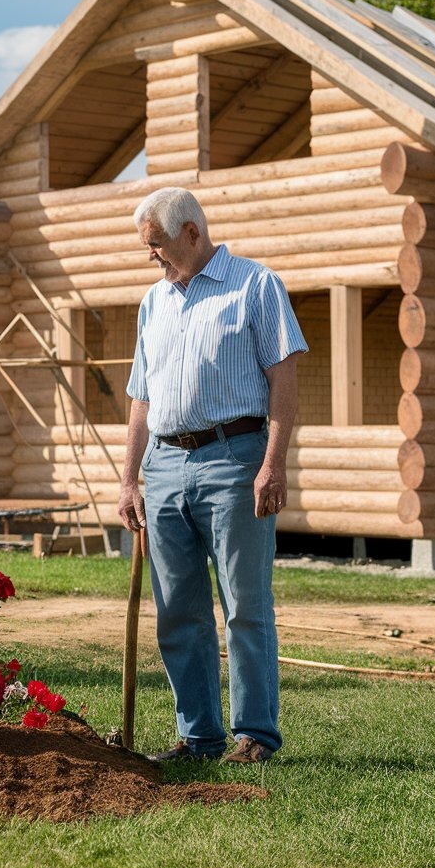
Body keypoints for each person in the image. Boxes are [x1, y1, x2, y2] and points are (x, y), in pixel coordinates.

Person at [117, 187, 307, 765]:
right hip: (166, 465)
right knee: (177, 607)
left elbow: (285, 383)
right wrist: (130, 480)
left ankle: (254, 735)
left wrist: (273, 463)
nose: (150, 255)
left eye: (157, 245)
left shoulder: (256, 286)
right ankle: (198, 737)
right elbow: (141, 400)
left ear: (192, 233)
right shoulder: (155, 301)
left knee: (244, 601)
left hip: (235, 457)